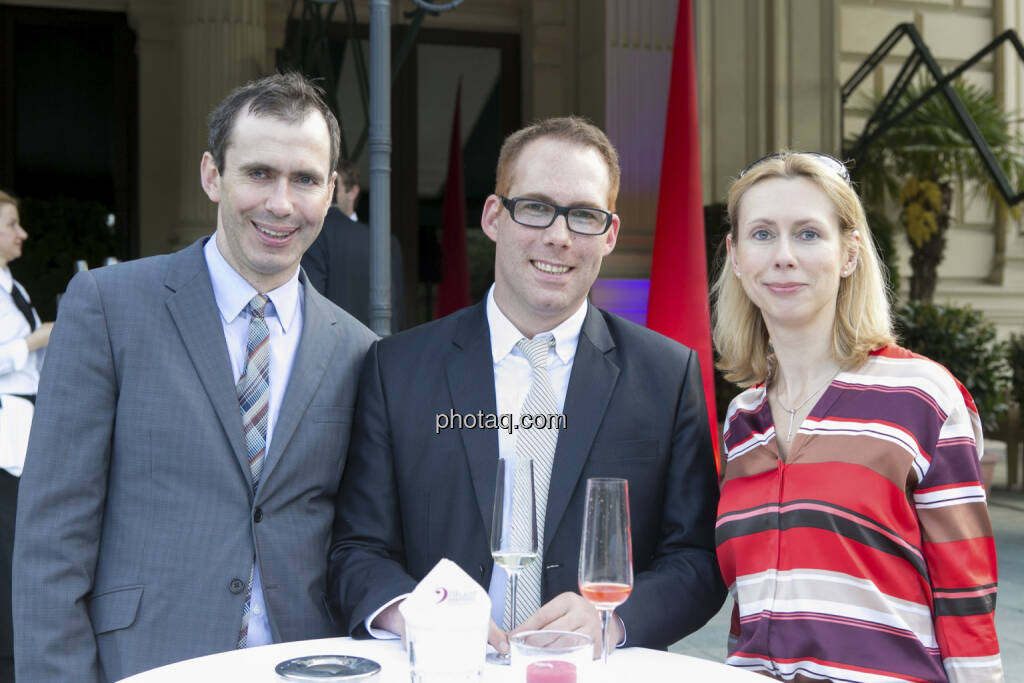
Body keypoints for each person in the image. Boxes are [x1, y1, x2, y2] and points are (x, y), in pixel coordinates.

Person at [12, 72, 377, 683]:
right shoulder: (109, 305)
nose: (281, 203)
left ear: (331, 190)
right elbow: (54, 537)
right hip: (147, 663)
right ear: (212, 175)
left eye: (305, 180)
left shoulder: (360, 349)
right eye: (258, 173)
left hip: (306, 665)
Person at [329, 116, 725, 657]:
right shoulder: (395, 370)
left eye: (583, 215)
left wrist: (612, 619)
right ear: (494, 217)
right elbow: (357, 548)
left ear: (609, 234)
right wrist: (410, 612)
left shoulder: (666, 376)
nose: (558, 236)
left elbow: (697, 559)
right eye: (536, 208)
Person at [712, 151, 1002, 682]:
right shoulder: (741, 420)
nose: (782, 256)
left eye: (807, 234)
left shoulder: (922, 396)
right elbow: (750, 603)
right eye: (761, 234)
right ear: (734, 254)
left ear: (849, 252)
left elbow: (967, 597)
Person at [0, 191, 52, 683]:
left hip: (26, 422)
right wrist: (37, 339)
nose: (22, 234)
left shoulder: (11, 286)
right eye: (11, 224)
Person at [302, 159, 404, 332]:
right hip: (379, 351)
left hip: (331, 350)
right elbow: (397, 311)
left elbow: (309, 305)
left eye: (334, 185)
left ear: (353, 192)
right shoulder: (388, 242)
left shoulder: (314, 232)